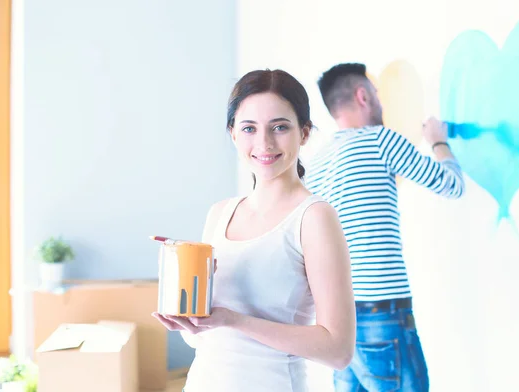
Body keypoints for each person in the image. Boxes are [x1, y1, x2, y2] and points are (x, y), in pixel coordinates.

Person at [152, 69, 356, 391]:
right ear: (233, 134)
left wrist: (234, 320)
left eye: (280, 127)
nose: (264, 143)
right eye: (249, 128)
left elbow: (338, 350)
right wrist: (189, 322)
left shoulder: (314, 218)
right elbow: (209, 339)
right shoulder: (220, 214)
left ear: (304, 133)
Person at [304, 63, 465, 392]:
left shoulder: (317, 164)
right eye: (377, 94)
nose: (381, 102)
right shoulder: (381, 140)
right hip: (384, 314)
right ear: (362, 96)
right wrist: (438, 142)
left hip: (339, 320)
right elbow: (452, 185)